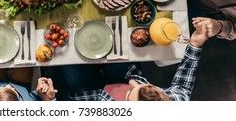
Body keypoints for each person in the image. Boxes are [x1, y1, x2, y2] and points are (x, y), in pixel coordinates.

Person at [61, 29, 209, 101]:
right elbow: (182, 88)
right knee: (115, 38)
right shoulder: (172, 104)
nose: (131, 83)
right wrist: (195, 44)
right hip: (122, 75)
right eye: (140, 86)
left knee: (65, 53)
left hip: (89, 95)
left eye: (129, 93)